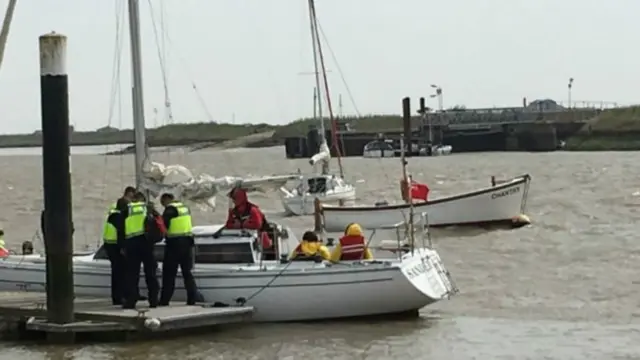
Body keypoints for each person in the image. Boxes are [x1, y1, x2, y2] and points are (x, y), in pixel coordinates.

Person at [158, 193, 197, 306]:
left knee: (169, 273)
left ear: (167, 200)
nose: (164, 206)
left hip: (174, 244)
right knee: (187, 273)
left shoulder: (170, 209)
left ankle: (165, 300)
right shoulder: (185, 207)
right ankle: (192, 299)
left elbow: (163, 224)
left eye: (163, 203)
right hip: (188, 242)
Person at [122, 191, 159, 309]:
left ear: (133, 199)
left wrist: (122, 245)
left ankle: (131, 300)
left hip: (132, 244)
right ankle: (153, 300)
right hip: (147, 244)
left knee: (132, 274)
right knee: (151, 273)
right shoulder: (149, 208)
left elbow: (119, 228)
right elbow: (159, 223)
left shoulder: (127, 209)